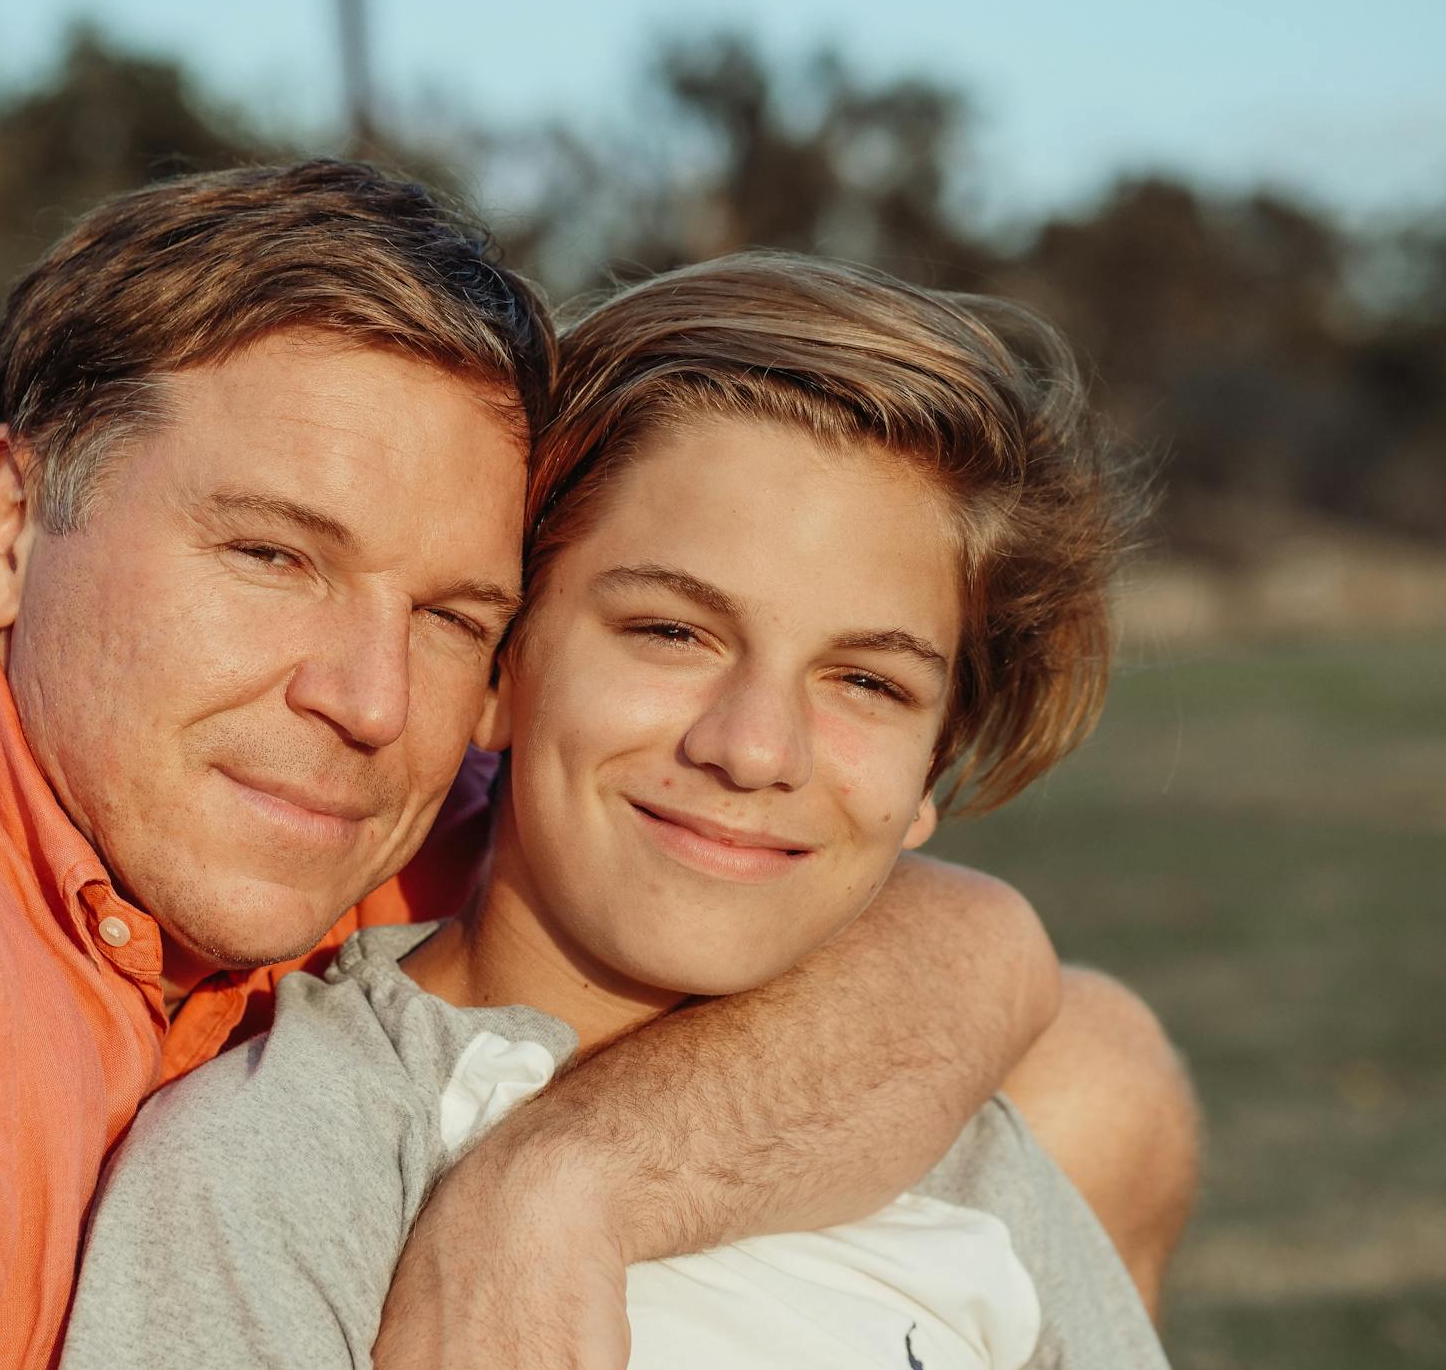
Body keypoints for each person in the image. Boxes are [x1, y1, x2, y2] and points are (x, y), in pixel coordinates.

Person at [0, 162, 1177, 1370]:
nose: (370, 697)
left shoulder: (357, 810)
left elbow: (980, 956)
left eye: (453, 611)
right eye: (272, 556)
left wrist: (560, 1193)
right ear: (12, 523)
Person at [61, 253, 1178, 1369]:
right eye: (672, 632)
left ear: (929, 776)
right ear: (498, 666)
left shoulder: (951, 1148)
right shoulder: (283, 1169)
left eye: (868, 683)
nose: (752, 748)